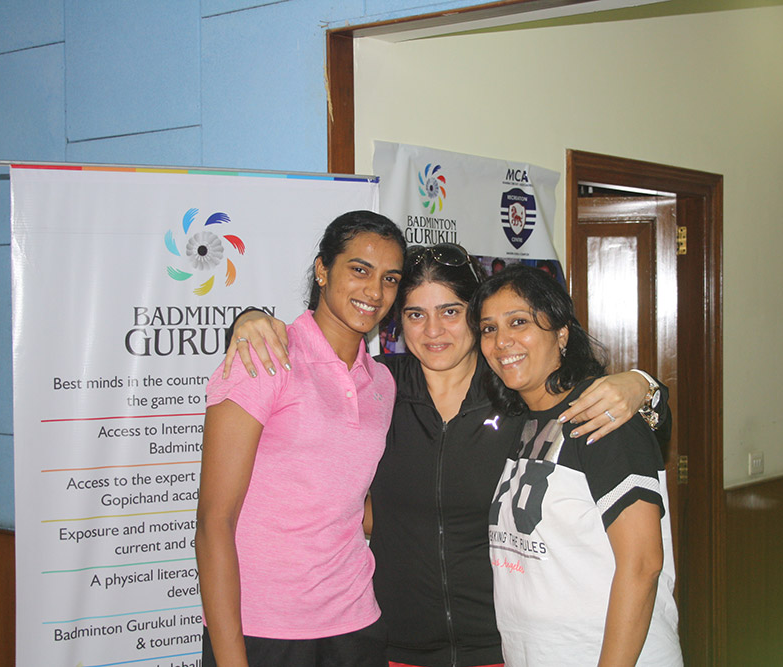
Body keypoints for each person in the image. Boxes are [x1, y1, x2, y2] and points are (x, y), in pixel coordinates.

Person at [224, 242, 670, 667]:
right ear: (398, 321)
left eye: (451, 312)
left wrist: (646, 387)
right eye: (416, 314)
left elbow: (619, 439)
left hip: (501, 646)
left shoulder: (514, 396)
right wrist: (246, 320)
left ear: (474, 318)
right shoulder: (374, 388)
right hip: (395, 643)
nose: (433, 331)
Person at [195, 210, 405, 667]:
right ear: (322, 270)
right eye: (360, 270)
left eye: (390, 278)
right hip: (264, 631)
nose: (375, 292)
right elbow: (214, 522)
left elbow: (348, 503)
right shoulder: (263, 357)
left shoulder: (383, 383)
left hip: (356, 625)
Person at [469, 264, 682, 667]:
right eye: (489, 328)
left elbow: (643, 564)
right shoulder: (520, 423)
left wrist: (643, 384)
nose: (501, 341)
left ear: (562, 333)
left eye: (519, 322)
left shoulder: (602, 416)